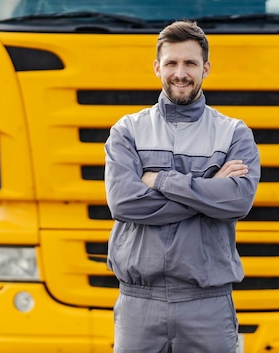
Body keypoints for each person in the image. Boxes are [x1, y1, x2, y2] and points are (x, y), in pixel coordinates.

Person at [104, 20, 260, 353]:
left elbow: (238, 201)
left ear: (206, 68)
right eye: (172, 62)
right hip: (139, 303)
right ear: (157, 67)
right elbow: (125, 204)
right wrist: (209, 190)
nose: (180, 72)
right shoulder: (127, 131)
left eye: (190, 63)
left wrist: (161, 180)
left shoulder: (234, 133)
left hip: (208, 303)